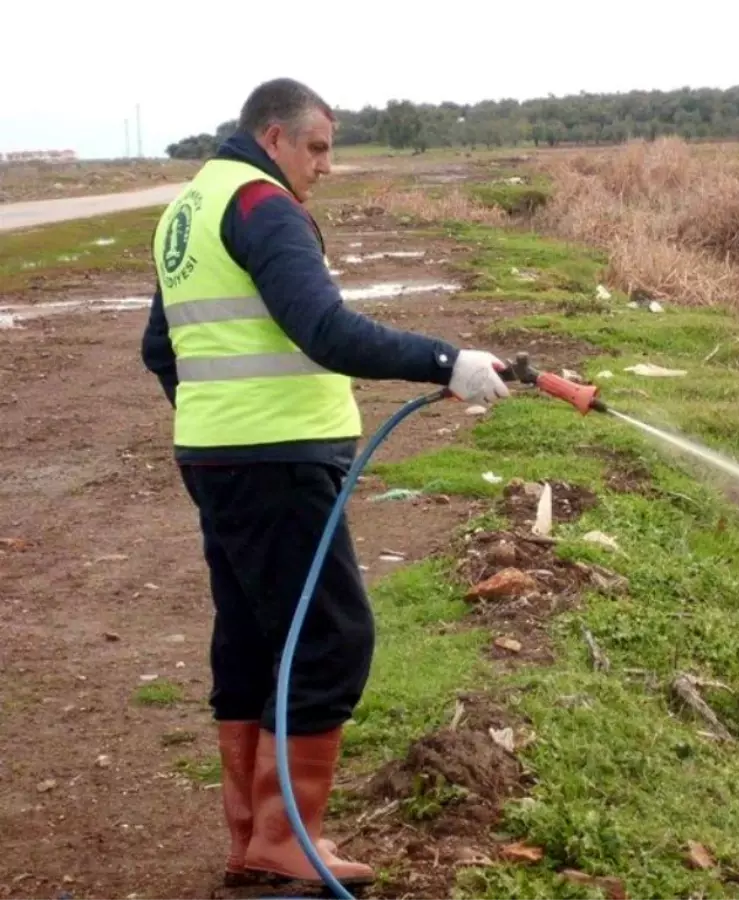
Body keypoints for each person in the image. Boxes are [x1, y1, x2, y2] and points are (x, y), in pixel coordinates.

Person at [140, 77, 509, 888]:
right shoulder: (263, 208)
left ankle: (252, 840)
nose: (326, 166)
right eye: (317, 147)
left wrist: (212, 418)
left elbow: (159, 349)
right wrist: (448, 362)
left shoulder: (190, 209)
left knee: (251, 637)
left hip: (216, 455)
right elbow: (327, 331)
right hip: (276, 459)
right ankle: (284, 837)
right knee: (332, 639)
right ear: (273, 138)